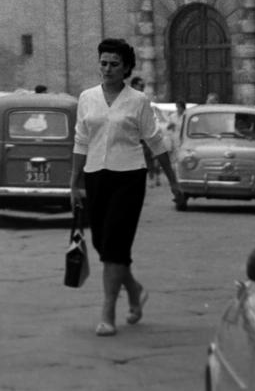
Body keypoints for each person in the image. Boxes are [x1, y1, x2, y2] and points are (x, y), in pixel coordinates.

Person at [69, 38, 183, 337]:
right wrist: (74, 180)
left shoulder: (138, 101)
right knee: (103, 245)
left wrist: (173, 181)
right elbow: (81, 140)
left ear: (126, 68)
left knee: (116, 246)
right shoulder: (86, 98)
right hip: (95, 175)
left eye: (114, 64)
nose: (107, 69)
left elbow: (155, 142)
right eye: (103, 63)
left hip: (129, 177)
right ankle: (134, 290)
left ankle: (108, 312)